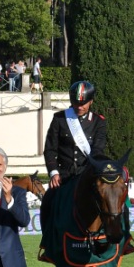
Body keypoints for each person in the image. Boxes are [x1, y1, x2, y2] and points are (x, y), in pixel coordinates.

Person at [41, 80, 107, 223]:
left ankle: (119, 237)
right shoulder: (60, 119)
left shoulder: (98, 122)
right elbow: (50, 149)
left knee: (113, 201)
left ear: (91, 102)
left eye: (83, 103)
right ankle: (48, 240)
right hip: (64, 177)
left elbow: (97, 150)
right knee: (48, 202)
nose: (79, 107)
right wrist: (54, 173)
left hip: (87, 176)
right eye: (76, 103)